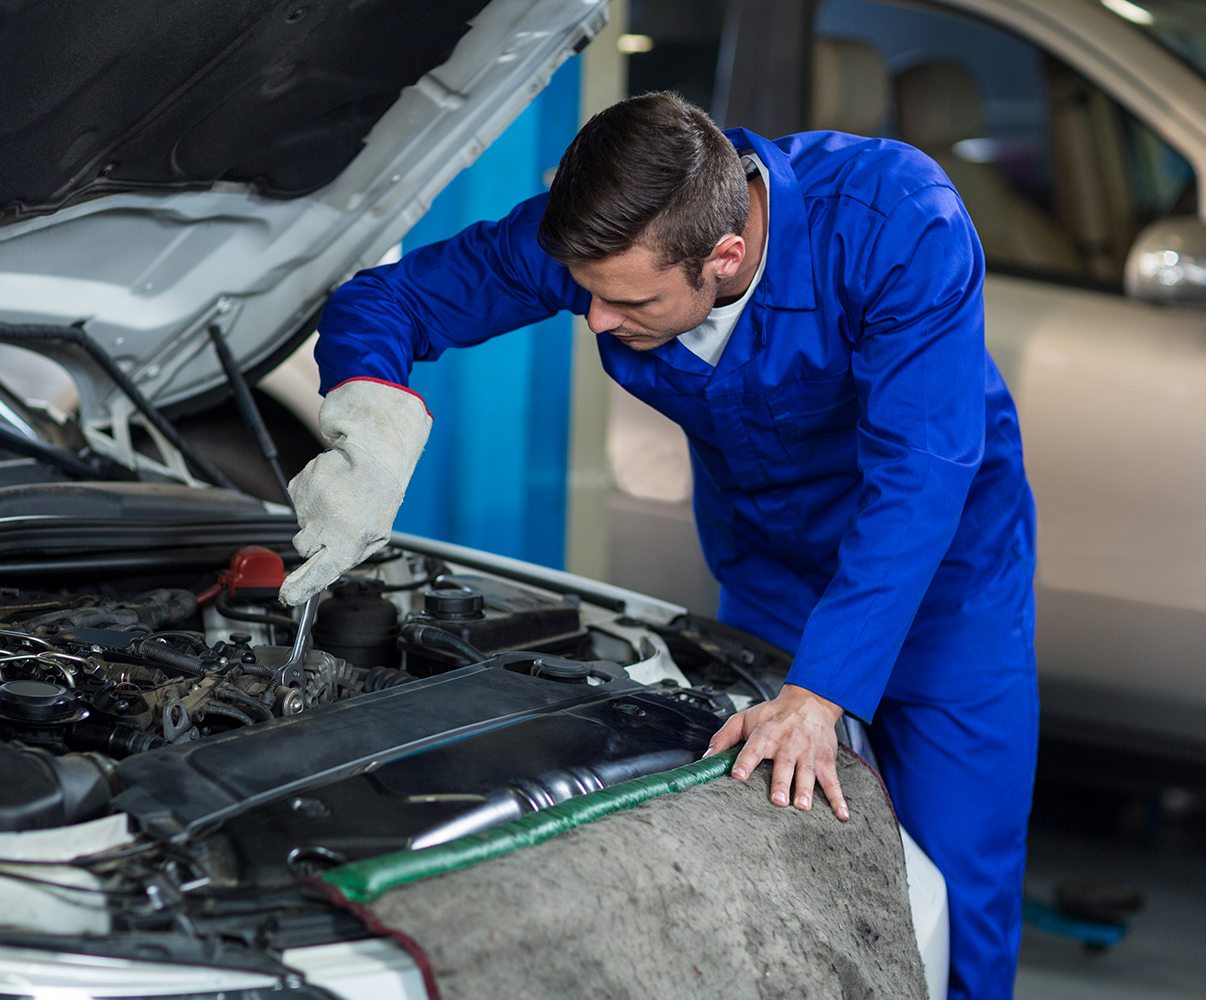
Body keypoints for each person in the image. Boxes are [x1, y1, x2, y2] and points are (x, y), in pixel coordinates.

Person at [278, 92, 1037, 1000]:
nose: (595, 321)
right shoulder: (617, 239)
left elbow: (919, 478)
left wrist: (821, 691)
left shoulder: (896, 222)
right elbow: (391, 297)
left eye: (624, 301)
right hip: (768, 575)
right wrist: (370, 422)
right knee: (782, 869)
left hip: (949, 589)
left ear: (726, 256)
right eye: (588, 294)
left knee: (957, 889)